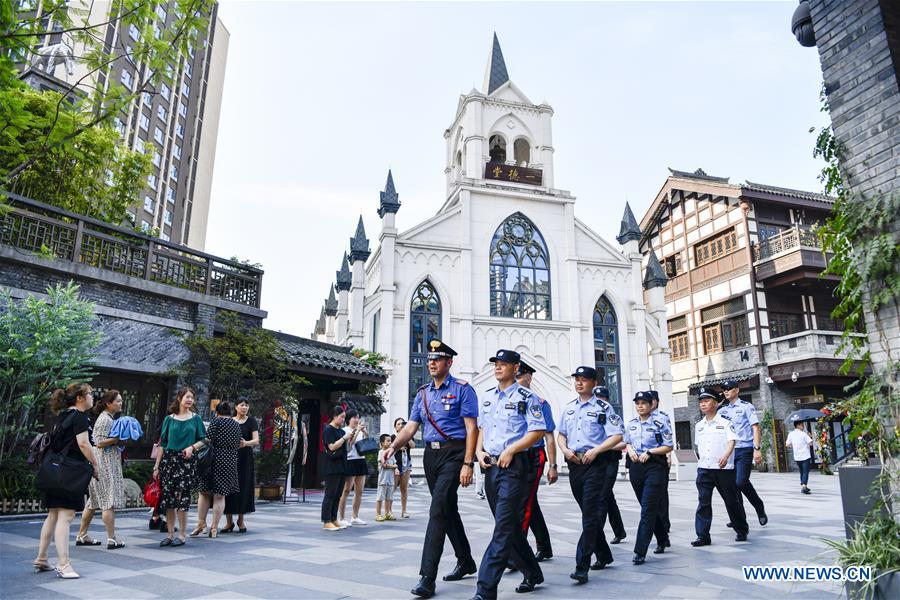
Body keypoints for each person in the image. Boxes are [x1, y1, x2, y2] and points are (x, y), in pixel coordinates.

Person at [383, 339, 478, 599]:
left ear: (449, 362)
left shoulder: (463, 389)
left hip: (454, 454)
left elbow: (472, 428)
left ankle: (427, 577)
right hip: (431, 456)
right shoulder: (423, 393)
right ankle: (466, 560)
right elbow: (411, 427)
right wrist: (394, 446)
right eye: (429, 359)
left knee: (437, 509)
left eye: (438, 359)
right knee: (447, 509)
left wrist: (468, 463)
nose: (432, 363)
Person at [473, 350, 546, 600]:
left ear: (516, 368)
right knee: (509, 526)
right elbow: (482, 428)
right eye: (496, 363)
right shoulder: (487, 397)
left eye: (504, 364)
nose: (498, 367)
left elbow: (537, 431)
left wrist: (512, 449)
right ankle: (532, 572)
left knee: (503, 527)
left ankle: (485, 589)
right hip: (490, 467)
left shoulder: (527, 397)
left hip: (514, 467)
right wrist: (477, 451)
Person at [557, 369, 623, 584]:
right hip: (575, 464)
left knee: (590, 515)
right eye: (576, 379)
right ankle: (604, 554)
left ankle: (581, 565)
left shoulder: (603, 408)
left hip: (596, 464)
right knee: (589, 512)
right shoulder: (569, 408)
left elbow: (616, 435)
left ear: (594, 383)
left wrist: (597, 450)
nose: (579, 383)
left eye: (583, 380)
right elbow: (561, 435)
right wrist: (565, 450)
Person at [33, 383, 99, 579]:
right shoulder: (79, 417)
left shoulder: (63, 416)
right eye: (90, 394)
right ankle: (63, 564)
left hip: (54, 472)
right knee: (66, 516)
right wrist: (95, 465)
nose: (92, 397)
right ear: (80, 398)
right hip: (70, 473)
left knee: (53, 515)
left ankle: (42, 558)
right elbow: (84, 444)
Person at [691, 390, 748, 547]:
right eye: (701, 401)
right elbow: (699, 446)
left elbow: (732, 441)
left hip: (723, 468)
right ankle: (702, 536)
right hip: (704, 468)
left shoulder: (725, 422)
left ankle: (741, 529)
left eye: (707, 401)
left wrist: (725, 455)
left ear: (716, 403)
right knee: (703, 502)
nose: (703, 404)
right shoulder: (699, 425)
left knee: (731, 500)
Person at [624, 391, 673, 565]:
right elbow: (627, 441)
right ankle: (662, 537)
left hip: (655, 466)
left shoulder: (660, 422)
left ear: (651, 404)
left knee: (647, 509)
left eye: (644, 403)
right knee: (648, 507)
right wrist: (629, 450)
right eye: (637, 403)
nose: (640, 406)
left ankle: (640, 551)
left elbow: (668, 446)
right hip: (637, 467)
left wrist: (650, 452)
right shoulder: (631, 424)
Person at [153, 388, 207, 547]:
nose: (190, 400)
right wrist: (157, 466)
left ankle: (182, 535)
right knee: (169, 499)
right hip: (169, 461)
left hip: (186, 461)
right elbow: (162, 444)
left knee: (182, 499)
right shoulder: (169, 419)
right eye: (187, 397)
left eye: (192, 398)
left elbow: (204, 440)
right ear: (179, 398)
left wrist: (192, 447)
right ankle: (170, 534)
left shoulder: (196, 419)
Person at [515, 361, 557, 562]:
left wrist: (553, 465)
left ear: (529, 377)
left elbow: (549, 436)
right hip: (514, 457)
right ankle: (544, 546)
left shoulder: (540, 403)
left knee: (523, 503)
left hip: (533, 456)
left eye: (520, 376)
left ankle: (518, 553)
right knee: (528, 502)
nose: (517, 380)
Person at [75, 390, 126, 550]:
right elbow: (98, 442)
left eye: (121, 400)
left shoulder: (108, 418)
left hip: (102, 463)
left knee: (93, 502)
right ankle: (112, 539)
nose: (120, 403)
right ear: (108, 403)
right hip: (103, 464)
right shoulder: (105, 419)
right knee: (107, 502)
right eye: (118, 401)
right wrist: (118, 438)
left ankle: (82, 535)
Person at [717, 380, 768, 525]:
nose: (726, 391)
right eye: (724, 389)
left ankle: (759, 506)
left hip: (744, 448)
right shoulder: (722, 410)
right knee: (732, 486)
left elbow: (755, 428)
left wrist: (757, 449)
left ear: (737, 390)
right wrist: (718, 405)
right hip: (729, 451)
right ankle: (739, 519)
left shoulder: (746, 407)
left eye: (729, 388)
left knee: (741, 482)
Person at [191, 401, 241, 538]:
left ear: (217, 413)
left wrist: (194, 447)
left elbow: (207, 439)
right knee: (220, 495)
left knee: (204, 492)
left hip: (212, 460)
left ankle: (201, 524)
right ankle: (214, 528)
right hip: (229, 461)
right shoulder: (236, 425)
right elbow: (238, 443)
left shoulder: (216, 422)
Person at [224, 397, 259, 532]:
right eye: (241, 405)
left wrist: (246, 443)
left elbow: (256, 440)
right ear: (236, 407)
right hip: (229, 457)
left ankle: (240, 519)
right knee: (228, 488)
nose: (244, 407)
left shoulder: (251, 421)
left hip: (245, 458)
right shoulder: (229, 421)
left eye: (246, 405)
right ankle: (228, 522)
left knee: (243, 487)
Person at [648, 389, 672, 554]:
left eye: (648, 401)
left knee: (662, 495)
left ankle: (664, 525)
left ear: (655, 402)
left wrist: (669, 456)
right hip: (643, 462)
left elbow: (668, 438)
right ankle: (660, 530)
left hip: (659, 459)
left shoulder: (662, 417)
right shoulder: (639, 418)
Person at [321, 406, 350, 531]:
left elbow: (346, 447)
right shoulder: (328, 430)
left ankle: (334, 518)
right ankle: (326, 520)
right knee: (330, 494)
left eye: (344, 417)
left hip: (342, 465)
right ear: (334, 416)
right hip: (332, 465)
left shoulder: (342, 431)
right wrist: (344, 438)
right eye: (341, 417)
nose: (343, 419)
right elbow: (331, 447)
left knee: (338, 494)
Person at [338, 409, 368, 526]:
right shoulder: (344, 430)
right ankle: (341, 517)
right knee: (346, 490)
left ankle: (355, 516)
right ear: (348, 419)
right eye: (354, 417)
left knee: (359, 491)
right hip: (350, 461)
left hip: (361, 460)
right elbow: (349, 445)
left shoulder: (360, 431)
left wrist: (365, 433)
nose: (356, 419)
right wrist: (357, 431)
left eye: (358, 417)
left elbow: (365, 444)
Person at [393, 417, 415, 517]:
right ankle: (388, 510)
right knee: (392, 488)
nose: (401, 425)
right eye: (398, 424)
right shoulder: (393, 437)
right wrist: (398, 447)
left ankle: (404, 510)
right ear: (395, 427)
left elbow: (413, 446)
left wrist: (408, 434)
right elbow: (389, 449)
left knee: (404, 488)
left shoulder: (408, 436)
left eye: (402, 424)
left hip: (406, 464)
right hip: (395, 465)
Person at [785, 421, 814, 495]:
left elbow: (787, 444)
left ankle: (803, 486)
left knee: (801, 471)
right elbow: (810, 443)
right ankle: (804, 486)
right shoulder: (804, 434)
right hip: (805, 456)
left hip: (797, 456)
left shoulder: (791, 434)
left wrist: (794, 446)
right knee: (805, 472)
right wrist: (810, 436)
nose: (803, 426)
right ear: (798, 425)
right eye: (802, 425)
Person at [376, 434, 399, 522]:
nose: (390, 442)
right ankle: (378, 514)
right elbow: (384, 464)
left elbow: (395, 463)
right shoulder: (381, 452)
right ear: (382, 443)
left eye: (390, 441)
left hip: (391, 479)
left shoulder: (391, 453)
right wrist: (394, 466)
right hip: (383, 479)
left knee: (389, 497)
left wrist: (395, 468)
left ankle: (387, 513)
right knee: (380, 497)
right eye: (388, 441)